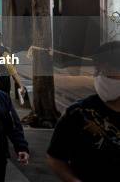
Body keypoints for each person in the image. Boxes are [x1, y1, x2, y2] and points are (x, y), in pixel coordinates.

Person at [46, 41, 120, 182]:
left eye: (108, 71)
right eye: (97, 71)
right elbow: (55, 158)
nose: (100, 77)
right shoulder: (77, 113)